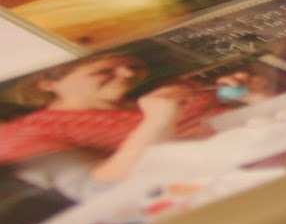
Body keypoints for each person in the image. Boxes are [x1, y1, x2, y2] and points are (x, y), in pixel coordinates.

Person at [0, 53, 218, 202]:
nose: (128, 74)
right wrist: (158, 121)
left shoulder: (167, 89)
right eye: (103, 71)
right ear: (48, 83)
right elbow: (99, 190)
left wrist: (238, 90)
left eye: (135, 67)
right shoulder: (26, 132)